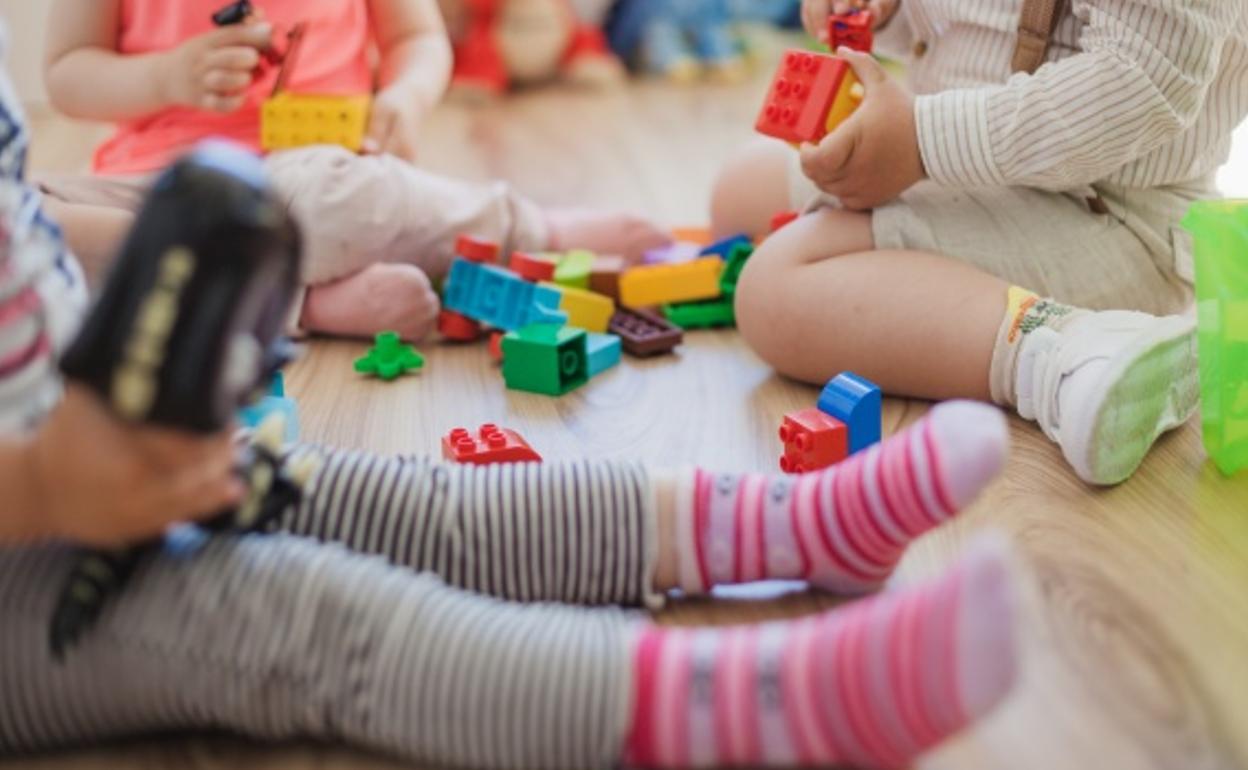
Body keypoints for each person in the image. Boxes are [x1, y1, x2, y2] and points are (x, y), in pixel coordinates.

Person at [1, 21, 1019, 765]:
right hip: (30, 526)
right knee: (295, 615)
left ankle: (794, 525)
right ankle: (770, 704)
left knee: (382, 498)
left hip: (69, 445)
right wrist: (45, 483)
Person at [714, 0, 1248, 485]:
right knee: (740, 190)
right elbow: (966, 30)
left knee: (772, 293)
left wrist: (923, 141)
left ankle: (1067, 350)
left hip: (1115, 218)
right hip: (966, 163)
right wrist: (889, 15)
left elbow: (1138, 86)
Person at [36, 0, 670, 341]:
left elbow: (417, 40)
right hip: (152, 191)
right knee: (24, 228)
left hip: (308, 175)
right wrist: (164, 77)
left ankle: (528, 229)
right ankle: (307, 302)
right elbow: (67, 70)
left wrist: (404, 99)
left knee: (344, 197)